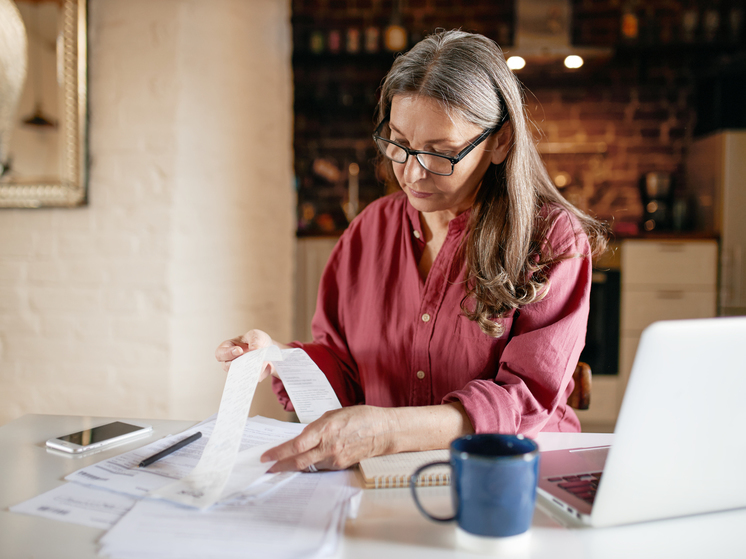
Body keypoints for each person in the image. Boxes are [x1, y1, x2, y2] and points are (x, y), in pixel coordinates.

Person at [215, 29, 607, 473]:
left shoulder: (550, 239)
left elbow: (523, 400)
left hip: (508, 475)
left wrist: (387, 432)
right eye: (399, 143)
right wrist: (278, 359)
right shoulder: (369, 231)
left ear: (500, 141)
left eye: (441, 153)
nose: (411, 173)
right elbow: (345, 366)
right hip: (387, 476)